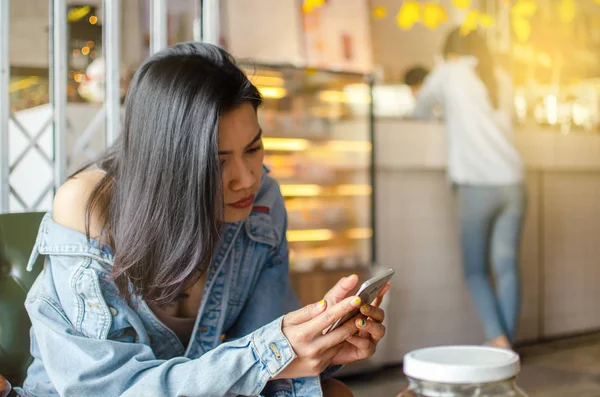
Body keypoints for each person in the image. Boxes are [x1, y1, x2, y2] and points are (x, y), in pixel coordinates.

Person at [16, 43, 389, 397]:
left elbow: (261, 357)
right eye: (216, 161)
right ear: (164, 162)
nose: (245, 179)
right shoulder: (88, 206)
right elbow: (108, 389)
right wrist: (270, 355)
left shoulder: (261, 201)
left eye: (253, 149)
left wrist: (318, 344)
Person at [411, 28, 525, 349]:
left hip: (477, 184)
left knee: (475, 272)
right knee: (507, 269)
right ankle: (506, 348)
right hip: (514, 182)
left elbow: (418, 111)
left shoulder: (448, 72)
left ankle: (499, 342)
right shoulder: (501, 75)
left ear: (451, 51)